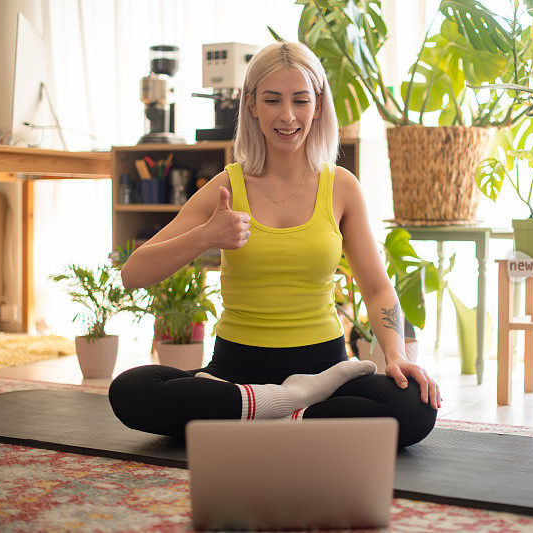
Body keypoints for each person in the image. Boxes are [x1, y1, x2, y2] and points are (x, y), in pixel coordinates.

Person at [110, 41, 440, 449]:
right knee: (130, 391)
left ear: (318, 105)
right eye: (273, 100)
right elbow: (132, 274)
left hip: (324, 371)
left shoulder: (340, 186)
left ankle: (252, 416)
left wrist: (396, 355)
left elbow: (376, 287)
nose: (288, 116)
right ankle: (288, 408)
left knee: (415, 408)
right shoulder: (227, 186)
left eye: (300, 100)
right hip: (236, 370)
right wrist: (207, 236)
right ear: (251, 105)